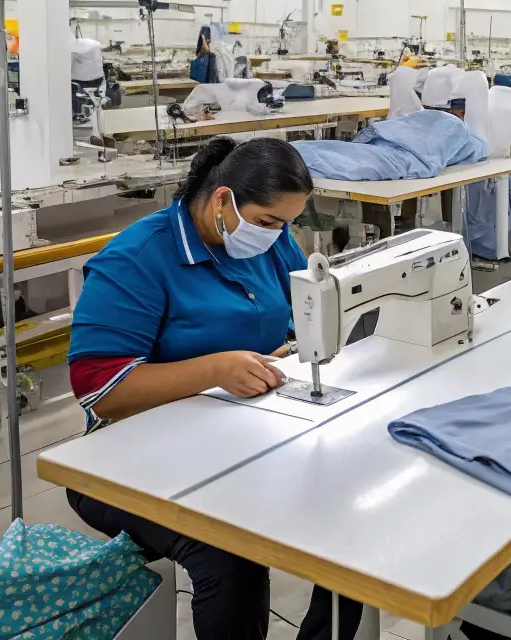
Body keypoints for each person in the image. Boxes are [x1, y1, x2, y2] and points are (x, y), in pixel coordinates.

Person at [65, 136, 363, 640]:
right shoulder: (138, 258)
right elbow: (97, 389)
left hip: (240, 432)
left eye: (287, 223)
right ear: (223, 200)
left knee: (351, 500)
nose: (279, 234)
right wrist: (213, 369)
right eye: (269, 221)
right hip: (126, 459)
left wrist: (299, 344)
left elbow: (298, 316)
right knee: (230, 553)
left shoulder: (266, 243)